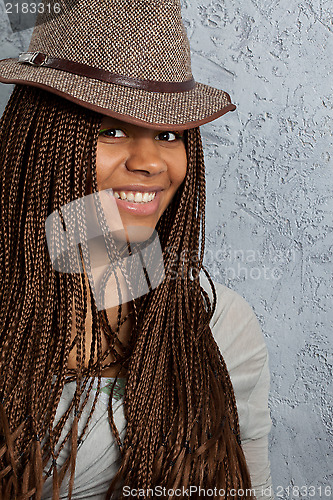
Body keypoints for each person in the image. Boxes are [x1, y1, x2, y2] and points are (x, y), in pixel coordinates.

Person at [0, 1, 274, 499]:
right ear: (43, 138)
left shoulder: (220, 328)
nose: (150, 162)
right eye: (111, 129)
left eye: (168, 135)